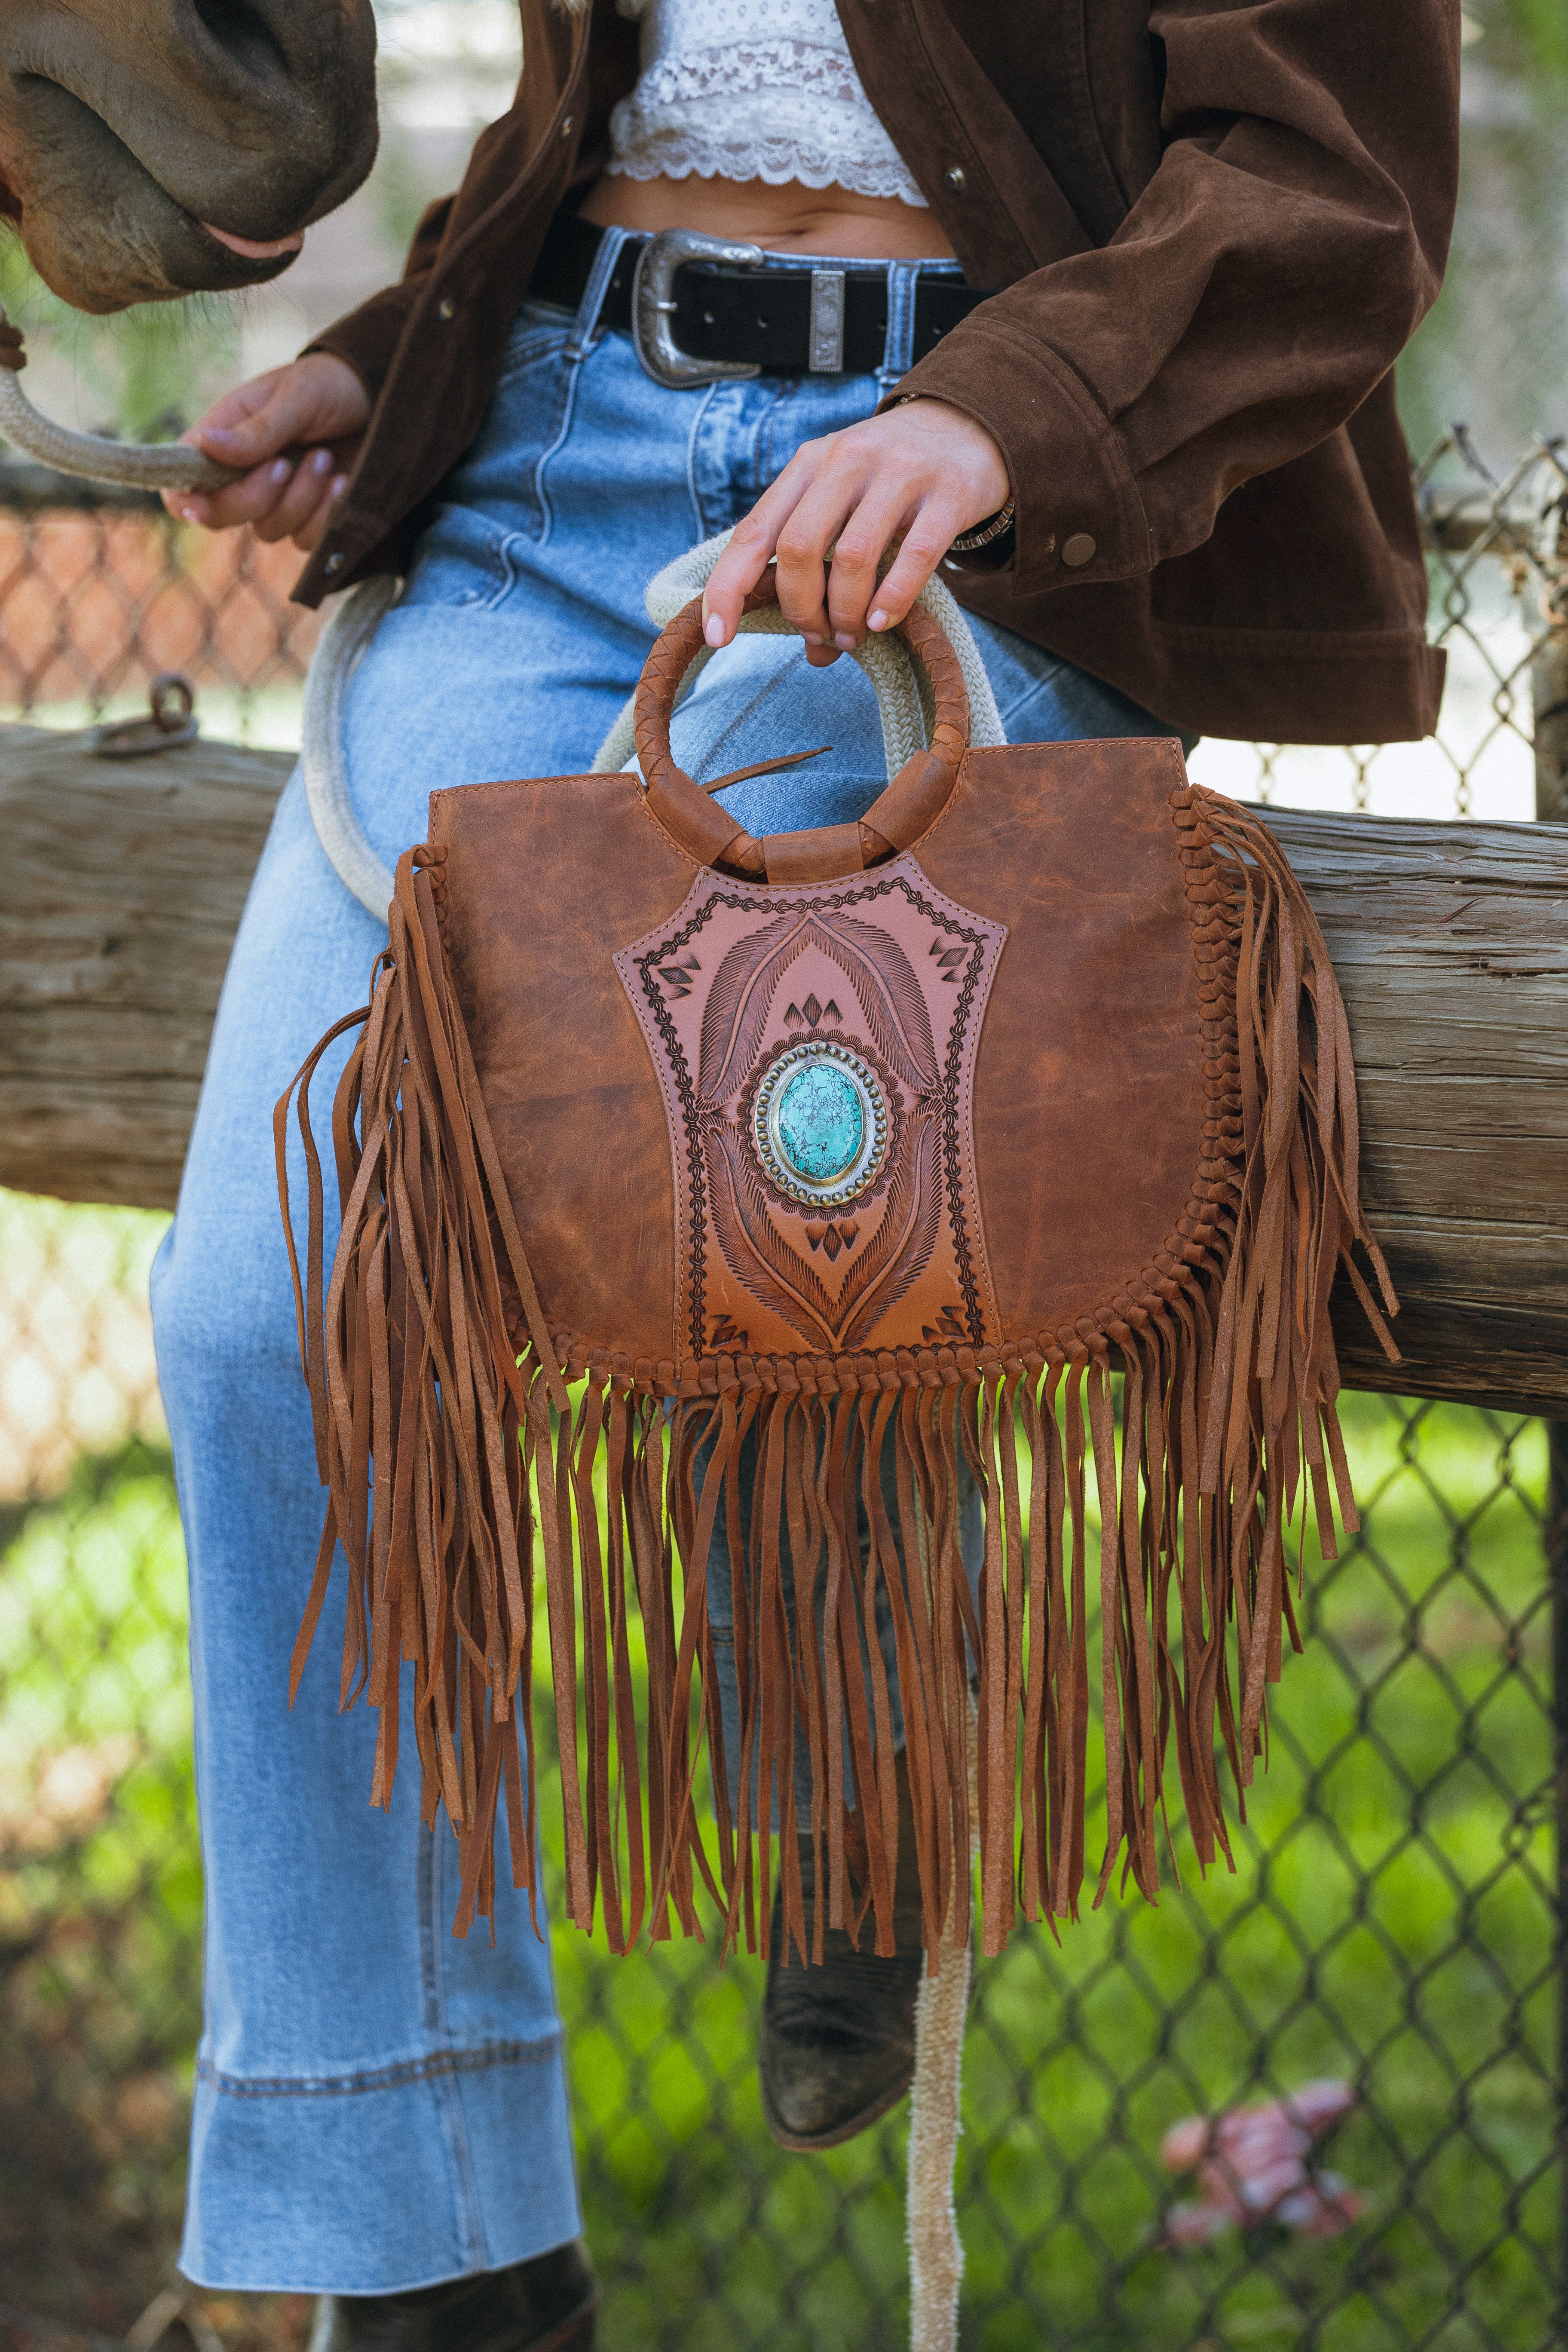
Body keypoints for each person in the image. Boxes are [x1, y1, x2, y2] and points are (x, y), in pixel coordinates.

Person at [150, 1, 1459, 2343]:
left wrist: (997, 415)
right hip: (554, 473)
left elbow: (1333, 179)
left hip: (980, 510)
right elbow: (613, 123)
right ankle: (433, 2240)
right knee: (266, 1312)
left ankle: (843, 1725)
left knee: (728, 1033)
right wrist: (399, 356)